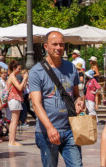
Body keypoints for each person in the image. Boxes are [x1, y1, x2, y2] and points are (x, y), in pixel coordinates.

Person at [30, 31, 84, 167]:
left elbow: (76, 95)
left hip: (71, 129)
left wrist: (79, 102)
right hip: (47, 132)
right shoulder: (37, 71)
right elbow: (36, 104)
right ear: (46, 46)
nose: (58, 48)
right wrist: (50, 128)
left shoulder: (71, 67)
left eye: (61, 44)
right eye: (54, 44)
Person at [6, 60, 28, 146]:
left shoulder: (13, 76)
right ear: (14, 68)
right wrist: (25, 79)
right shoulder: (12, 76)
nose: (20, 70)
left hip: (16, 98)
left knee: (14, 120)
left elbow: (22, 88)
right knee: (14, 120)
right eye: (18, 68)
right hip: (14, 98)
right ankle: (12, 141)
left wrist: (25, 80)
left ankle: (11, 140)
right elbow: (19, 88)